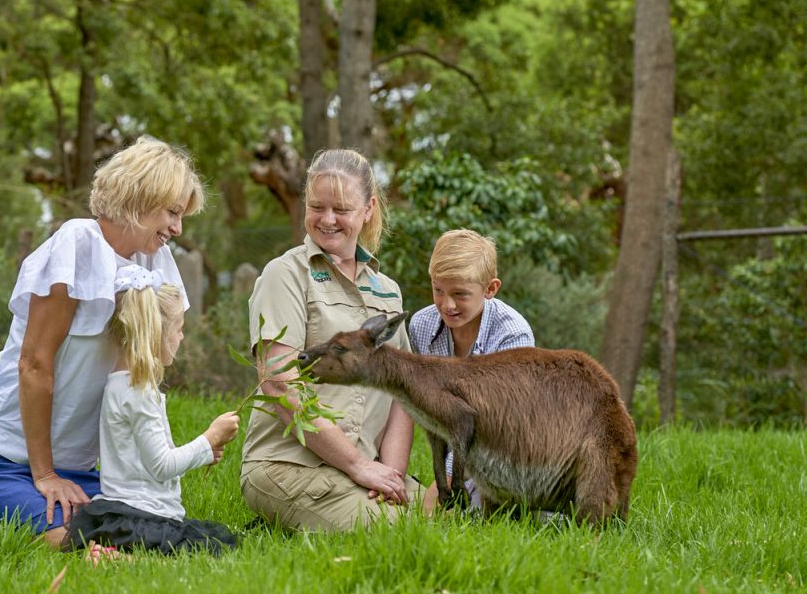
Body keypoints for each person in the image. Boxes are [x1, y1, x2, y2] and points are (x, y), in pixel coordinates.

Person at [0, 136, 204, 548]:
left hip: (77, 470)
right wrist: (44, 475)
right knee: (77, 543)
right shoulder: (77, 244)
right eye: (172, 212)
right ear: (140, 197)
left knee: (140, 534)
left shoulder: (158, 260)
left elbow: (147, 368)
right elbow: (34, 363)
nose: (178, 228)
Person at [240, 149, 421, 532]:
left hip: (365, 468)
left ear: (368, 208)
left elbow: (401, 395)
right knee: (394, 529)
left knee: (452, 516)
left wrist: (389, 474)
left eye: (341, 208)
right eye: (317, 206)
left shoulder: (387, 291)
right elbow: (279, 383)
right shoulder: (285, 275)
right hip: (289, 464)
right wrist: (357, 465)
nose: (327, 219)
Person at [63, 267, 240, 557]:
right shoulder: (139, 391)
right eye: (179, 329)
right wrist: (208, 440)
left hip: (121, 513)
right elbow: (162, 466)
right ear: (156, 333)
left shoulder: (119, 383)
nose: (181, 337)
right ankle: (121, 559)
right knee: (208, 551)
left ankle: (115, 553)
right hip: (145, 515)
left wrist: (206, 451)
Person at [408, 229, 534, 513]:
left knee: (478, 514)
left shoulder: (512, 336)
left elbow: (493, 429)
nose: (446, 304)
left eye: (460, 294)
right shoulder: (421, 326)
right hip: (461, 456)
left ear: (490, 289)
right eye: (438, 290)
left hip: (506, 452)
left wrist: (447, 482)